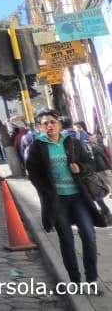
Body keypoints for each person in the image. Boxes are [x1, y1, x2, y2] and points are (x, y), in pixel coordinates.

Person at [26, 110, 103, 290]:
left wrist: (81, 167)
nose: (50, 126)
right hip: (57, 200)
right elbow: (33, 174)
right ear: (40, 127)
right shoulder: (37, 147)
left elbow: (90, 163)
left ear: (59, 124)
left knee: (89, 236)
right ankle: (75, 281)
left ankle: (92, 279)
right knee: (67, 240)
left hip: (78, 197)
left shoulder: (72, 142)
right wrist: (45, 191)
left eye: (53, 122)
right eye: (45, 124)